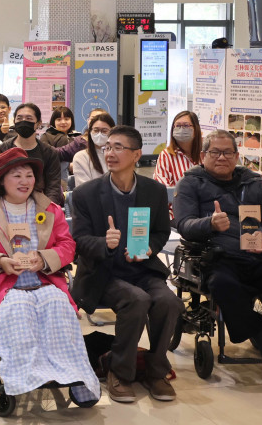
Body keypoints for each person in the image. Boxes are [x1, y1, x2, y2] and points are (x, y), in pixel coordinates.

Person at [0, 147, 101, 406]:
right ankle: (27, 375)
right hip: (4, 285)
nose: (25, 181)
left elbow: (67, 246)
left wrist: (44, 258)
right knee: (21, 312)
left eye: (29, 175)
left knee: (59, 310)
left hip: (43, 280)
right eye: (16, 176)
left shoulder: (50, 209)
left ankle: (75, 375)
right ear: (1, 179)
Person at [173, 130, 262, 364]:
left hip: (259, 257)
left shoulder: (251, 182)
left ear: (237, 155)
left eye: (228, 152)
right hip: (219, 259)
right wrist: (208, 223)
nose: (222, 157)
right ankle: (259, 336)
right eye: (215, 152)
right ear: (203, 155)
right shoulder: (192, 183)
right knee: (222, 284)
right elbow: (183, 224)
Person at [70, 125, 181, 403]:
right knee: (136, 299)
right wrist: (104, 243)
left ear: (136, 155)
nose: (110, 152)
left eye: (119, 147)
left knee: (168, 301)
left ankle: (156, 371)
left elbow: (160, 231)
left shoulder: (154, 191)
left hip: (141, 268)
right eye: (107, 147)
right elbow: (79, 241)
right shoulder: (86, 194)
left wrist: (148, 249)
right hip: (102, 273)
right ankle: (120, 373)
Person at [1, 102, 63, 206]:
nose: (23, 122)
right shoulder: (3, 149)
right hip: (8, 204)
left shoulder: (49, 153)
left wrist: (46, 209)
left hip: (40, 206)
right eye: (19, 118)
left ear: (38, 123)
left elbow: (53, 187)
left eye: (29, 118)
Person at [155, 111, 202, 188]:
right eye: (178, 126)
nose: (181, 129)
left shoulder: (206, 153)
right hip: (179, 199)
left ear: (196, 128)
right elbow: (163, 187)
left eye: (186, 125)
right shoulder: (167, 155)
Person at [71, 112, 114, 188]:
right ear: (90, 132)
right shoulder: (81, 157)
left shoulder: (117, 155)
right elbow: (84, 190)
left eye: (104, 131)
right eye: (96, 130)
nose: (99, 134)